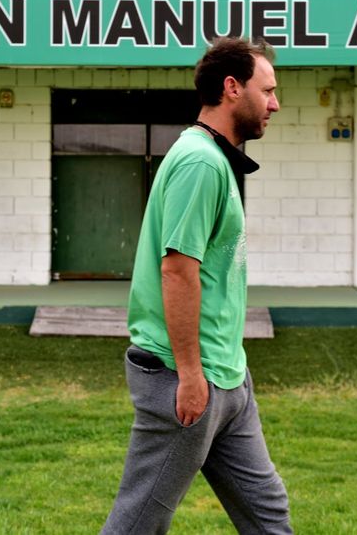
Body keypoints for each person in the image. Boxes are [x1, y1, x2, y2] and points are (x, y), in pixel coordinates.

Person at [101, 37, 291, 535]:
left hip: (228, 377)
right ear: (232, 88)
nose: (275, 104)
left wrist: (226, 370)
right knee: (139, 523)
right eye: (267, 90)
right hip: (187, 379)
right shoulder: (200, 163)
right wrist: (189, 375)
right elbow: (178, 271)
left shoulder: (214, 159)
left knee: (268, 512)